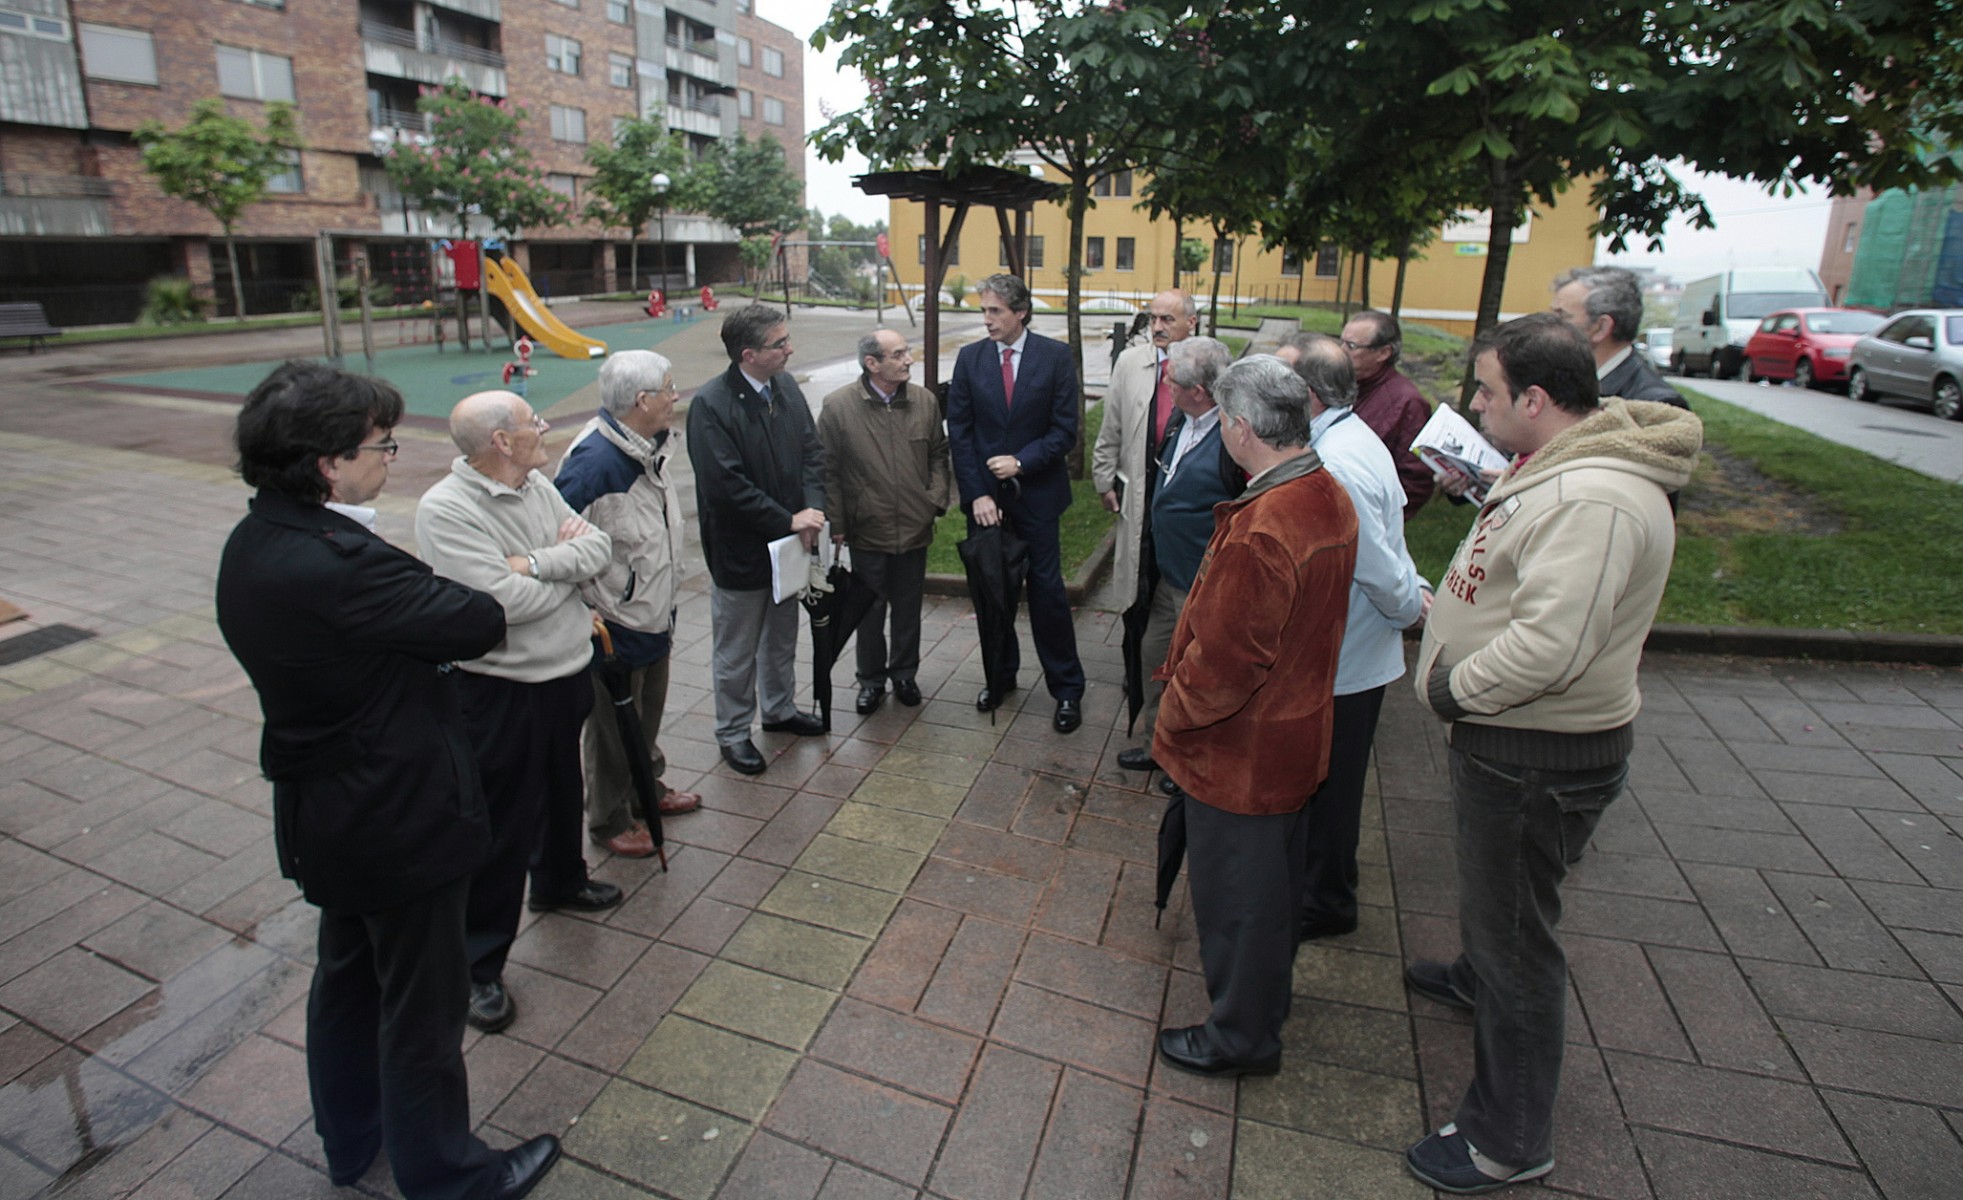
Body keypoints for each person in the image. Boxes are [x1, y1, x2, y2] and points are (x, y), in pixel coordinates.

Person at [215, 362, 561, 1200]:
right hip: (397, 813)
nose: (389, 458)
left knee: (346, 977)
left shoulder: (256, 539)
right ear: (328, 463)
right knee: (421, 1006)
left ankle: (351, 1136)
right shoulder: (338, 560)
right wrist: (504, 571)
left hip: (325, 806)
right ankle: (447, 1174)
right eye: (380, 446)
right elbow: (476, 616)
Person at [1403, 313, 1702, 1194]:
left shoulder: (1593, 499)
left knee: (1517, 945)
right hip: (1519, 742)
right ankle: (1475, 973)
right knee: (1502, 913)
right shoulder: (1563, 465)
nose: (1474, 405)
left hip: (1530, 752)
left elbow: (1550, 648)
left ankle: (1506, 1137)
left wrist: (1449, 689)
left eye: (1486, 391)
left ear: (1534, 399)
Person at [1150, 355, 1357, 1079]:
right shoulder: (1322, 489)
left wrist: (1171, 717)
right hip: (1293, 736)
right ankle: (1260, 1008)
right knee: (1270, 895)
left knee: (1239, 903)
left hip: (1242, 755)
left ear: (1240, 428)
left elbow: (1224, 669)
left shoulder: (1266, 525)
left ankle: (1240, 1038)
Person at [416, 391, 620, 1036]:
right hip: (502, 690)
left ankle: (560, 881)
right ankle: (478, 966)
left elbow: (599, 548)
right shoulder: (446, 509)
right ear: (501, 441)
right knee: (502, 824)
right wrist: (562, 575)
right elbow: (497, 604)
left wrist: (534, 565)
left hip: (565, 670)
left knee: (562, 788)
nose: (545, 426)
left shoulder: (535, 484)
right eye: (534, 422)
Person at [1275, 333, 1431, 941]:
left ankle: (1326, 902)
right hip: (1348, 651)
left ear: (1309, 395)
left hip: (1348, 656)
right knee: (1330, 785)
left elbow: (1374, 562)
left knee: (1331, 790)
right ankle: (1324, 886)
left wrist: (1410, 605)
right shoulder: (1343, 437)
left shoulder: (1336, 463)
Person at [554, 350, 701, 861]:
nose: (675, 396)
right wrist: (582, 609)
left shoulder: (647, 446)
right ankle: (609, 818)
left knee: (646, 714)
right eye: (668, 388)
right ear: (641, 400)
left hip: (652, 610)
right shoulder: (594, 464)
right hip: (615, 620)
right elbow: (555, 542)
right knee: (613, 729)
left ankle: (645, 789)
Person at [687, 304, 828, 775]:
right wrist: (789, 520)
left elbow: (812, 453)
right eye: (779, 343)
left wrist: (811, 512)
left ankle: (779, 709)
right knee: (737, 650)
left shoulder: (786, 387)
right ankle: (732, 732)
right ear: (748, 354)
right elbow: (725, 487)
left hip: (790, 545)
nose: (790, 349)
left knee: (782, 636)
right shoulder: (711, 405)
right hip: (742, 552)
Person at [947, 273, 1087, 733]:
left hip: (1038, 499)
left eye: (995, 311)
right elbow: (960, 433)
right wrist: (977, 494)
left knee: (1047, 595)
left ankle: (1066, 690)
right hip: (986, 505)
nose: (987, 320)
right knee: (992, 595)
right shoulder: (970, 359)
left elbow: (1065, 430)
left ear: (1021, 312)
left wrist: (1022, 462)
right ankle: (999, 678)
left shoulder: (1054, 357)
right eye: (983, 311)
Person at [1115, 335, 1240, 773]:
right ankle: (1157, 747)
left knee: (1196, 676)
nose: (1164, 386)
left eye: (1172, 381)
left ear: (1199, 391)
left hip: (1202, 585)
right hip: (1166, 578)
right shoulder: (1179, 421)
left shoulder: (1233, 438)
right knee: (1154, 658)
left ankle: (1187, 761)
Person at [818, 329, 952, 715]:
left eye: (907, 352)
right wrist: (838, 522)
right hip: (866, 529)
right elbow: (827, 470)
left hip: (915, 526)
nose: (908, 360)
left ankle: (905, 674)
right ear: (871, 363)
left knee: (908, 608)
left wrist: (933, 501)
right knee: (869, 610)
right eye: (898, 354)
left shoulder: (925, 402)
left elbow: (939, 454)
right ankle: (871, 680)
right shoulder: (838, 407)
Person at [1093, 289, 1198, 624]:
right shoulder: (1130, 362)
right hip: (1141, 488)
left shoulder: (1208, 365)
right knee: (1136, 582)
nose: (1157, 327)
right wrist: (1104, 479)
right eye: (1153, 318)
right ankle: (1134, 648)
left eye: (1167, 319)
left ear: (1191, 322)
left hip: (1184, 497)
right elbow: (1112, 424)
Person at [1340, 309, 1437, 519]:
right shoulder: (1348, 385)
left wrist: (1378, 519)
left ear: (1383, 353)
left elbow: (1416, 480)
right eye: (1342, 342)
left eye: (1351, 346)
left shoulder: (1407, 403)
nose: (1342, 351)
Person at [1550, 265, 1689, 408]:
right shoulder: (1559, 380)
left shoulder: (1655, 404)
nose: (1547, 324)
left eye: (1562, 316)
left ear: (1602, 327)